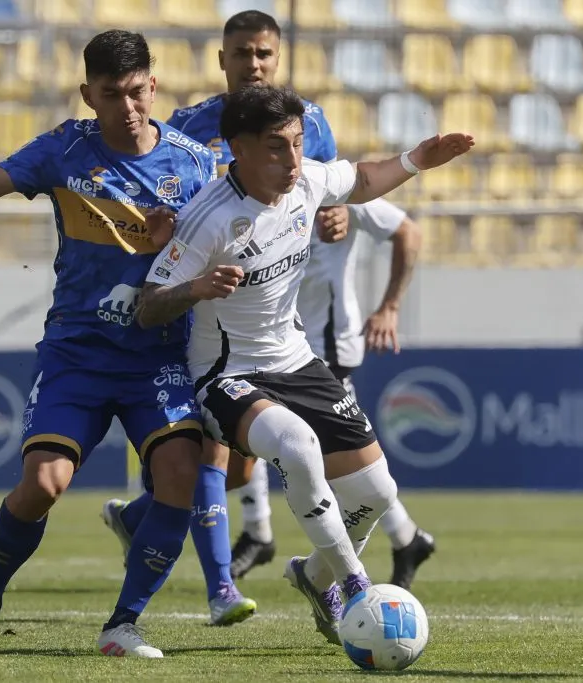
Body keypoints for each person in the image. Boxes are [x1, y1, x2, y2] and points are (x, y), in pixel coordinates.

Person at [135, 84, 473, 644]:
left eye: (296, 143)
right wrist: (196, 288)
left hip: (297, 361)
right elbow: (149, 306)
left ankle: (315, 577)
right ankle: (356, 588)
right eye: (276, 147)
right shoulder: (208, 219)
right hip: (227, 376)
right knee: (296, 446)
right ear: (238, 148)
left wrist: (417, 159)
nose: (292, 159)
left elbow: (361, 180)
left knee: (376, 492)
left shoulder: (308, 181)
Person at [0, 30, 217, 659]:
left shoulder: (195, 164)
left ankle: (123, 624)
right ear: (89, 94)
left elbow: (226, 239)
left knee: (179, 474)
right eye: (112, 94)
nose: (128, 107)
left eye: (137, 92)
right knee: (43, 483)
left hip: (158, 357)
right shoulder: (62, 149)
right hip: (78, 352)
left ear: (154, 86)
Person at [98, 9, 344, 621]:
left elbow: (319, 192)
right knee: (212, 454)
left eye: (263, 53)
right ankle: (222, 590)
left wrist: (336, 217)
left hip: (266, 312)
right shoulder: (186, 126)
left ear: (277, 58)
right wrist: (159, 226)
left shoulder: (309, 122)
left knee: (235, 468)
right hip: (200, 307)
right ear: (222, 60)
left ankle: (137, 517)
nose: (253, 64)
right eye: (241, 54)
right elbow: (163, 199)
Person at [235, 202, 437, 590]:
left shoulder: (338, 186)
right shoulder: (252, 199)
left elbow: (409, 232)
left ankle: (260, 532)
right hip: (277, 347)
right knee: (271, 434)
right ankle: (405, 538)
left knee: (339, 463)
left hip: (321, 350)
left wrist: (390, 307)